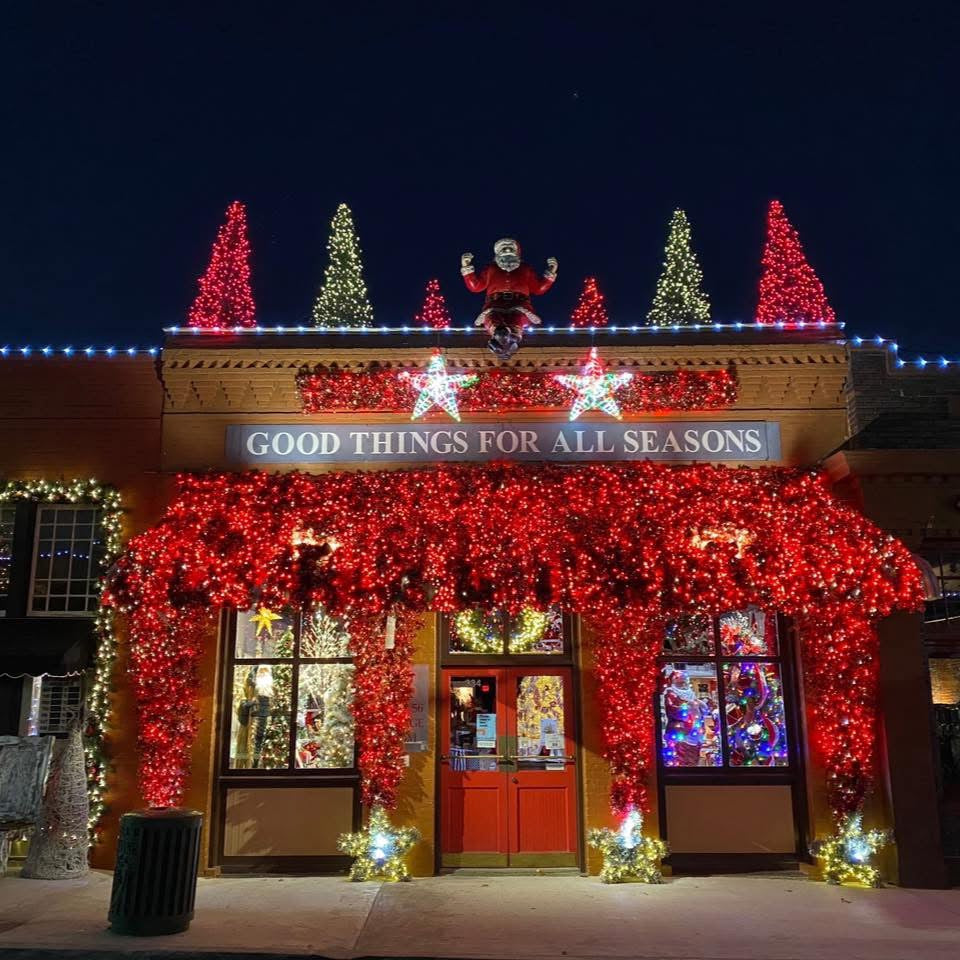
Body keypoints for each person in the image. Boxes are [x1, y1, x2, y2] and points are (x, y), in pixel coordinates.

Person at [461, 238, 558, 359]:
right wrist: (467, 267)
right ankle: (500, 339)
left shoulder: (525, 269)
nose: (507, 250)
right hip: (495, 304)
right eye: (503, 248)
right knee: (493, 320)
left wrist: (551, 271)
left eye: (510, 248)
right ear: (498, 253)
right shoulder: (491, 269)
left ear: (517, 252)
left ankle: (510, 340)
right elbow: (476, 287)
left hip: (520, 305)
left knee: (517, 319)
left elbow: (538, 289)